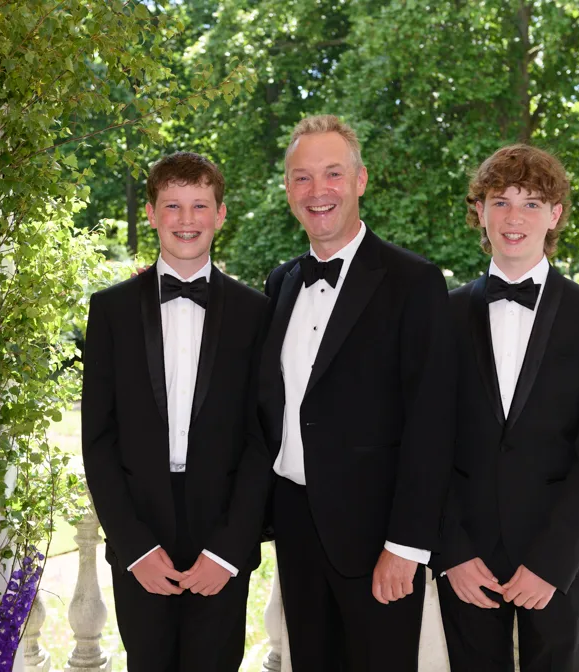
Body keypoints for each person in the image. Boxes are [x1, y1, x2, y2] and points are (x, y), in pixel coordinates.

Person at [257, 114, 455, 672]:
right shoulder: (281, 283)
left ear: (361, 180)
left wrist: (406, 546)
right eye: (302, 177)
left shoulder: (414, 283)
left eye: (333, 174)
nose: (318, 191)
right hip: (296, 530)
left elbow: (432, 424)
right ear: (289, 189)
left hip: (379, 541)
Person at [431, 144, 579, 672]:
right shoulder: (440, 315)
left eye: (532, 203)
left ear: (555, 214)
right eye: (500, 201)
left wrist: (552, 564)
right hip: (467, 560)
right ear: (481, 212)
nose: (514, 217)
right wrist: (452, 553)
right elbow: (425, 445)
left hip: (557, 561)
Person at [81, 151, 271, 672]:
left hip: (221, 526)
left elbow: (262, 440)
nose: (186, 220)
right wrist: (134, 546)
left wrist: (231, 548)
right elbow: (97, 439)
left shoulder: (256, 312)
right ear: (150, 213)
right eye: (172, 206)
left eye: (199, 206)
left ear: (220, 214)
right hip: (140, 527)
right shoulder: (111, 310)